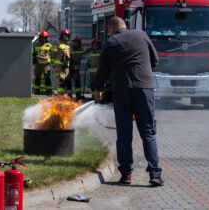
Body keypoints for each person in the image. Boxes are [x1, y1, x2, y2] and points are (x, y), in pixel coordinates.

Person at [94, 16, 163, 186]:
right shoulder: (142, 36)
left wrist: (98, 90)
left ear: (111, 28)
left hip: (122, 91)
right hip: (144, 89)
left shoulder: (111, 42)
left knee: (124, 135)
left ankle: (126, 175)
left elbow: (102, 71)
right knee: (148, 132)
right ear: (125, 24)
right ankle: (154, 174)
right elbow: (155, 61)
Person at [66, 36, 88, 100]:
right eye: (75, 42)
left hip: (76, 71)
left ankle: (78, 96)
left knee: (77, 84)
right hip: (69, 69)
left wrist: (93, 48)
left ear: (79, 43)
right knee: (68, 83)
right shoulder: (70, 49)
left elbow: (87, 49)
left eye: (77, 42)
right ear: (73, 43)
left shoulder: (81, 50)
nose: (76, 43)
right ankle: (69, 97)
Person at [51, 28, 71, 95]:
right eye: (64, 35)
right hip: (59, 66)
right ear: (61, 36)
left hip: (66, 67)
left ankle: (64, 95)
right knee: (60, 80)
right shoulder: (57, 44)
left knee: (65, 81)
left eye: (67, 35)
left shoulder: (68, 45)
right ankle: (60, 95)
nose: (66, 36)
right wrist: (53, 63)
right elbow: (53, 54)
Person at [32, 30, 53, 95]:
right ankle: (36, 92)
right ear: (40, 38)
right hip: (38, 64)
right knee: (37, 78)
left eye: (44, 37)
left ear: (46, 38)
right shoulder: (35, 45)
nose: (43, 39)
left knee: (47, 78)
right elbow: (33, 54)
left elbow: (54, 53)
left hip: (46, 65)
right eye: (42, 37)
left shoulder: (49, 45)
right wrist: (34, 59)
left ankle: (49, 92)